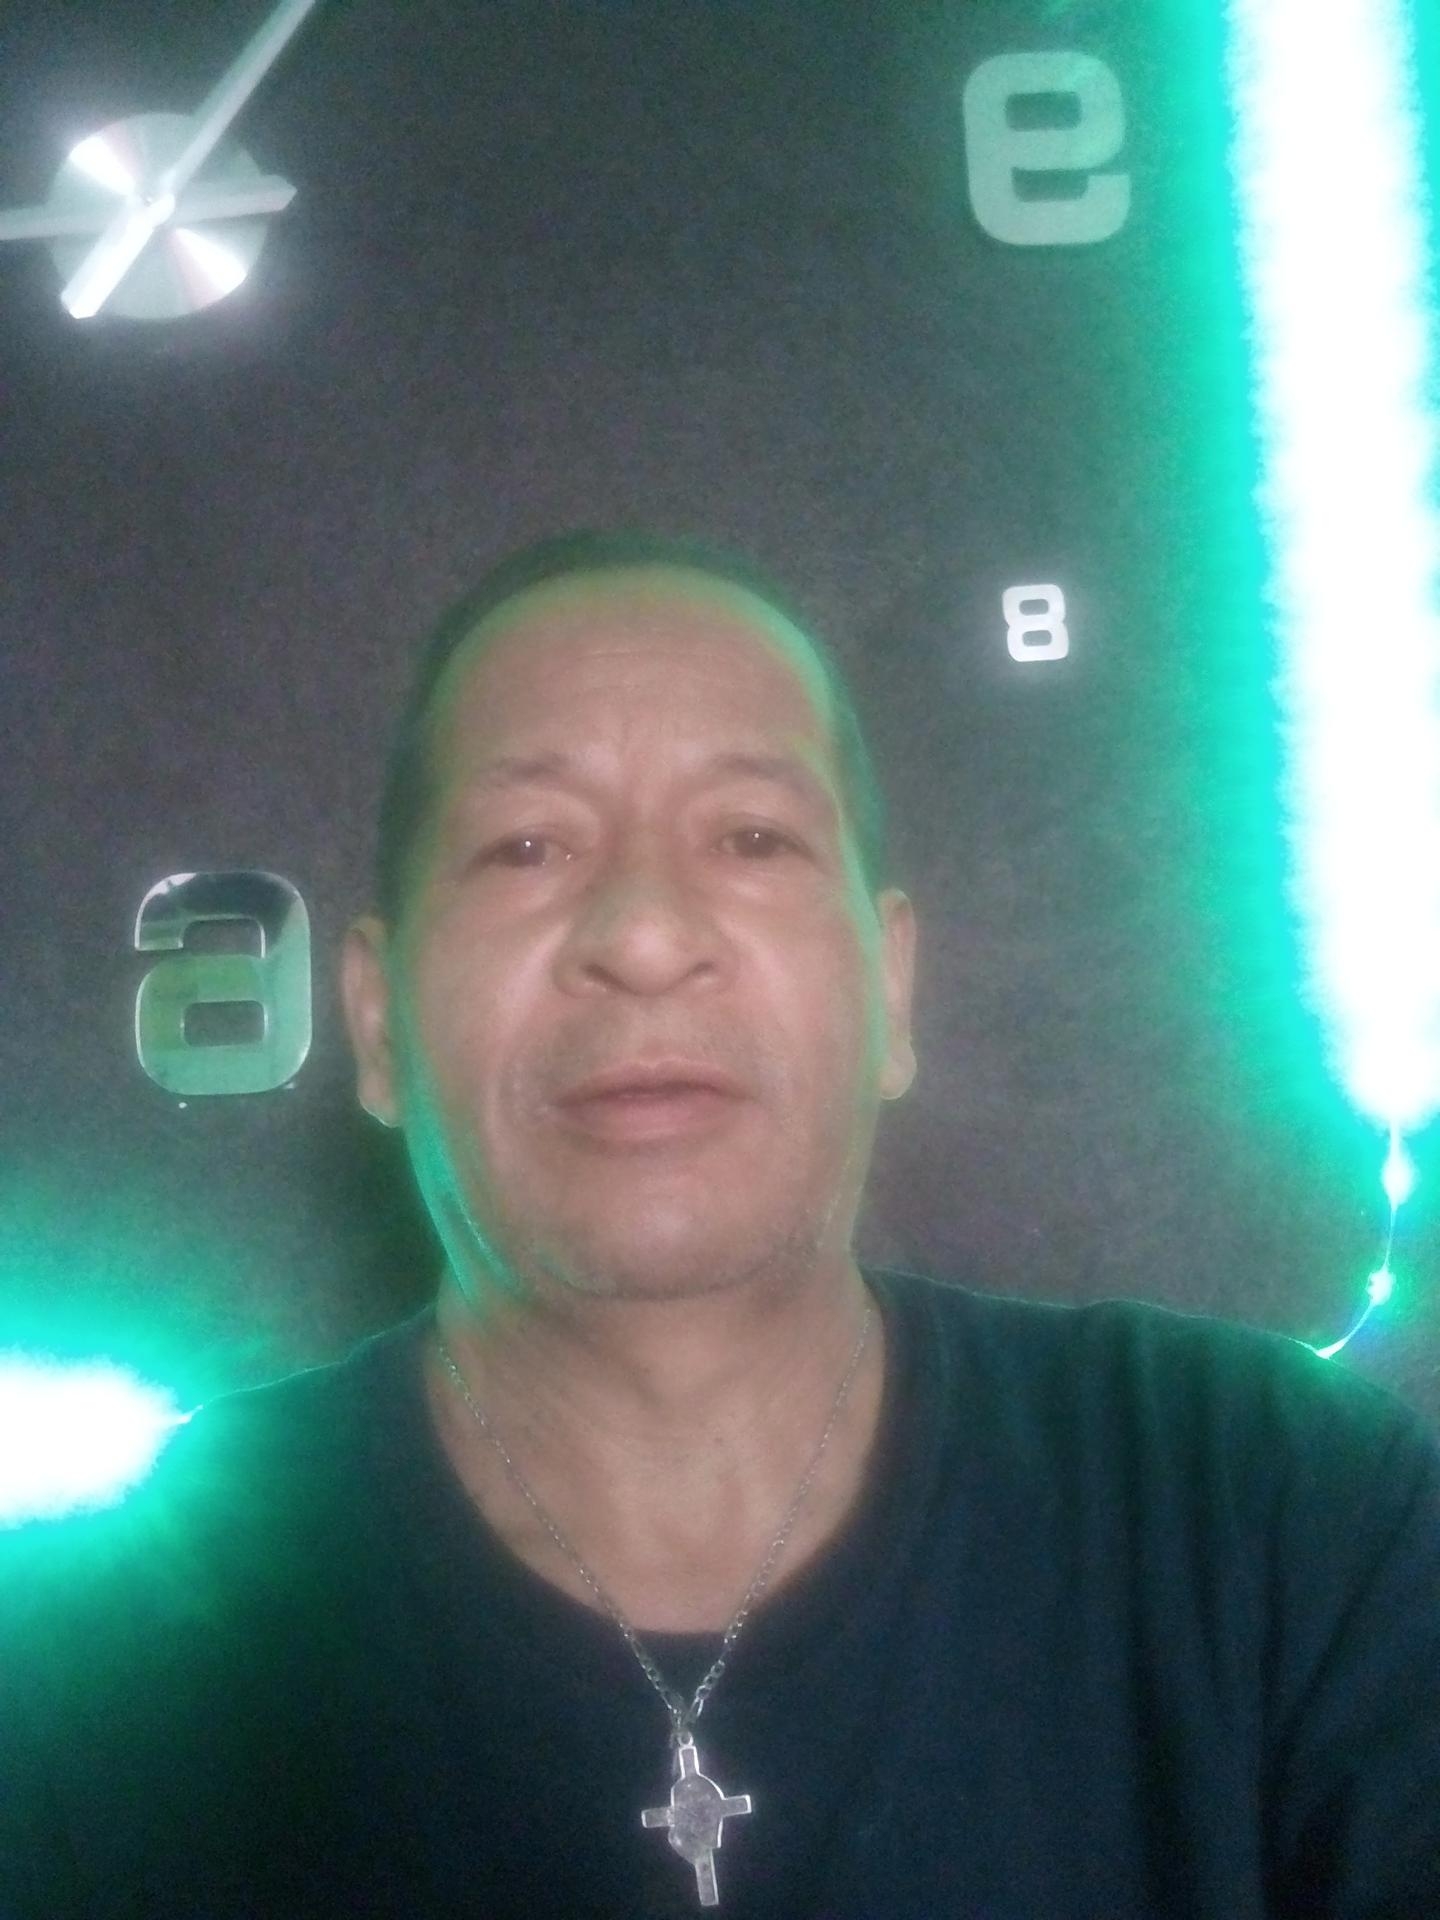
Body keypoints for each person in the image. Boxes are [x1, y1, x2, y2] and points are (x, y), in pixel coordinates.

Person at [3, 528, 1439, 1920]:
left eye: (753, 837)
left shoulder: (1284, 1519)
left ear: (891, 990)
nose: (642, 936)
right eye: (525, 846)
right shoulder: (91, 1658)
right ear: (377, 1025)